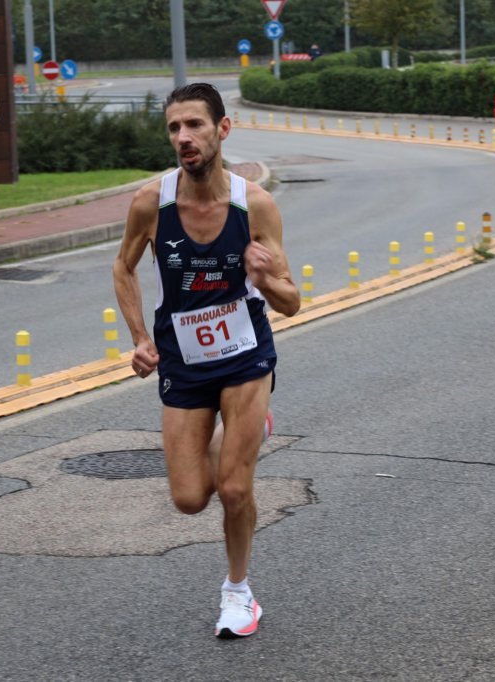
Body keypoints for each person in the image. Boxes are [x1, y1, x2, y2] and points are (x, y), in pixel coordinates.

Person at [112, 82, 300, 639]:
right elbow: (123, 267)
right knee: (190, 498)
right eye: (174, 127)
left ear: (223, 129)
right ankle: (244, 431)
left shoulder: (254, 205)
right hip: (183, 361)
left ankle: (238, 593)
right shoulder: (151, 203)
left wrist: (265, 278)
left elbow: (291, 302)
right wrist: (140, 337)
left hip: (245, 356)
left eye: (194, 124)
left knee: (235, 489)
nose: (183, 137)